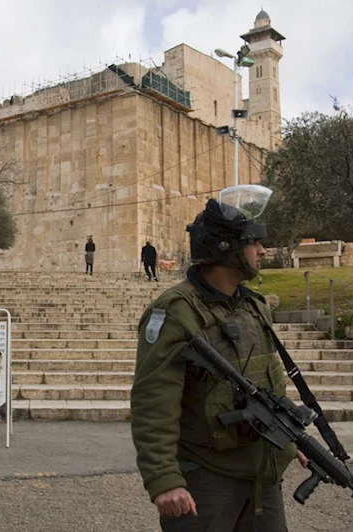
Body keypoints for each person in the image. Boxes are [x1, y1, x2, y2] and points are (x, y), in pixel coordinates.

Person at [130, 185, 307, 532]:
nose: (262, 250)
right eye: (253, 242)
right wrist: (164, 479)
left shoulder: (254, 307)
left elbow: (268, 383)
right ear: (227, 249)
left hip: (262, 479)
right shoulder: (177, 312)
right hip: (207, 482)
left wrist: (289, 434)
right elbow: (153, 400)